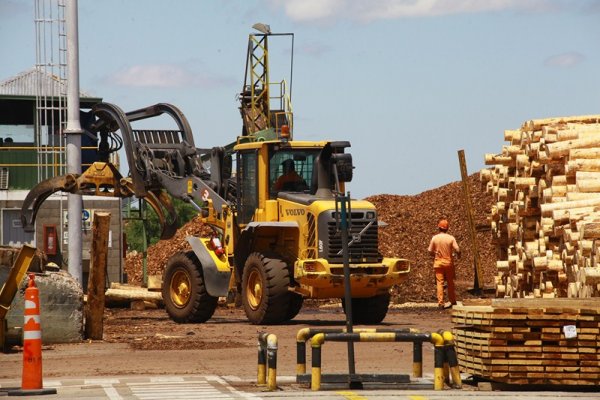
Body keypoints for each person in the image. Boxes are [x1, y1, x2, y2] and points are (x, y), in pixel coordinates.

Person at [428, 219, 460, 309]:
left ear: (439, 227)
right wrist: (459, 255)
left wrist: (435, 254)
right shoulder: (451, 238)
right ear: (447, 228)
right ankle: (453, 301)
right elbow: (457, 249)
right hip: (448, 263)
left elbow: (430, 251)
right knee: (450, 283)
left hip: (438, 263)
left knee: (440, 283)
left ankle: (441, 303)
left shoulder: (434, 238)